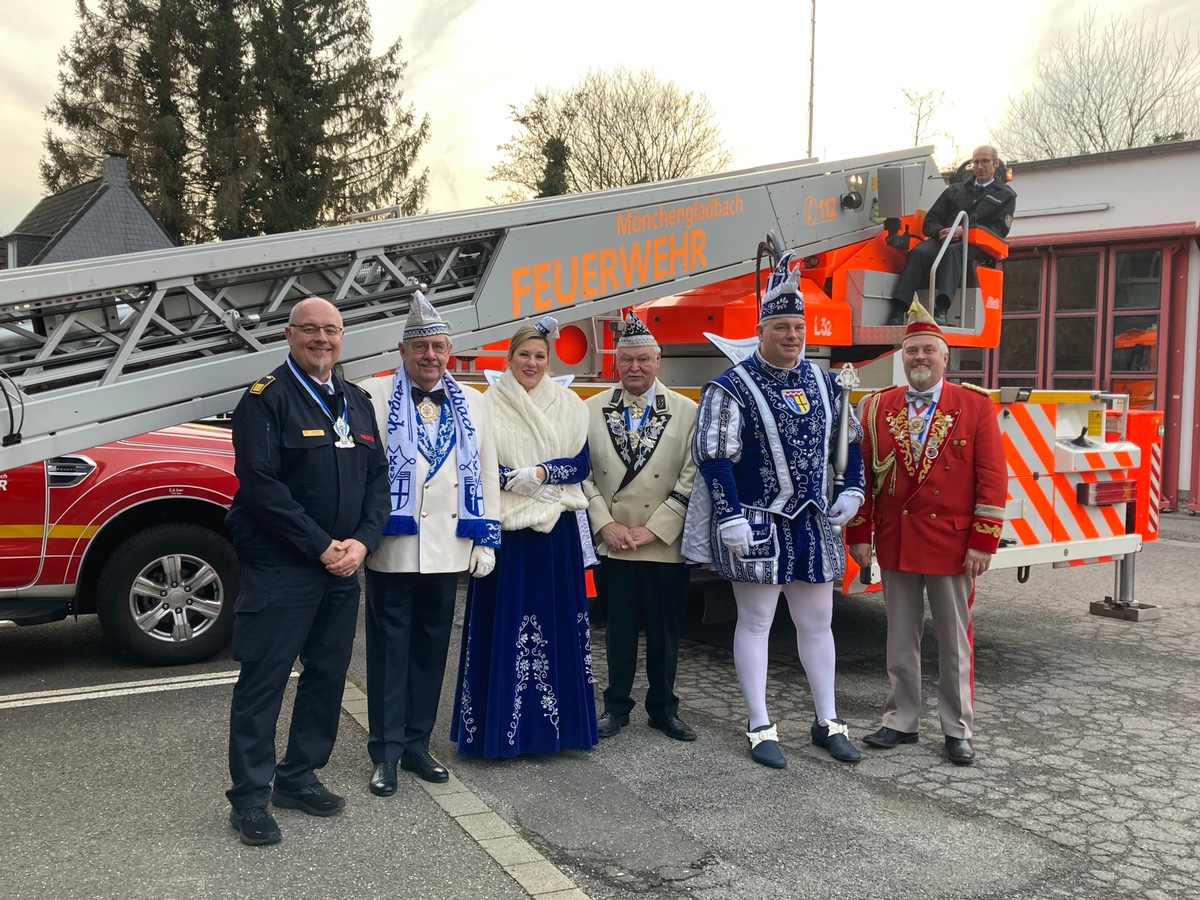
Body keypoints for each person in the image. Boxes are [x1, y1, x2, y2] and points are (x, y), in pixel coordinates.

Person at [683, 249, 866, 769]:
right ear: (761, 330)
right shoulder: (731, 386)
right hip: (757, 521)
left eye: (798, 327)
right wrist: (729, 516)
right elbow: (714, 457)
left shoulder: (827, 384)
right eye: (781, 326)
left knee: (818, 623)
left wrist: (852, 490)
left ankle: (829, 720)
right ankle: (760, 724)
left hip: (815, 522)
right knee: (757, 621)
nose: (792, 335)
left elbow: (849, 447)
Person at [224, 295, 389, 846]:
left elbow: (377, 484)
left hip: (342, 568)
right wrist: (321, 546)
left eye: (332, 330)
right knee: (264, 680)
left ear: (342, 337)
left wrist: (363, 544)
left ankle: (297, 776)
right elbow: (262, 488)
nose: (322, 339)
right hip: (284, 568)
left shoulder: (357, 401)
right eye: (310, 330)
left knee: (327, 676)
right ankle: (249, 797)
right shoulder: (265, 400)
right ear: (289, 335)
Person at [847, 301, 1006, 766]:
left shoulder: (974, 406)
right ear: (903, 356)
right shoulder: (878, 406)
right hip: (897, 539)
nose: (920, 358)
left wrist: (983, 540)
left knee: (955, 641)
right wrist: (861, 533)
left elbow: (993, 479)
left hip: (953, 544)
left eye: (928, 351)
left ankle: (958, 729)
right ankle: (901, 720)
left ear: (945, 358)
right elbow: (867, 477)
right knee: (900, 637)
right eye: (912, 350)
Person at [360, 291, 501, 795]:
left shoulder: (476, 403)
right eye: (421, 347)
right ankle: (386, 752)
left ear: (450, 351)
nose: (431, 356)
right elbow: (362, 473)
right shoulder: (372, 396)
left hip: (447, 546)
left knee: (430, 650)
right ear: (402, 352)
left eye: (439, 347)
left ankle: (417, 745)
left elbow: (485, 473)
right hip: (392, 546)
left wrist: (487, 539)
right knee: (387, 652)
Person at [450, 316, 599, 757]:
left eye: (539, 356)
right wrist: (513, 481)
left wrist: (542, 473)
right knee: (506, 624)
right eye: (523, 355)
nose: (531, 362)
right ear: (508, 358)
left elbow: (582, 464)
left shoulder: (572, 404)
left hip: (557, 531)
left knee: (556, 627)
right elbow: (472, 464)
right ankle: (501, 732)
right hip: (507, 531)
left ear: (549, 361)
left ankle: (561, 731)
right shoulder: (485, 404)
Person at [582, 310, 699, 743]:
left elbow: (692, 475)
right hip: (615, 542)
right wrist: (605, 524)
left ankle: (664, 709)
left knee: (666, 633)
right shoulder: (591, 410)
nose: (635, 367)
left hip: (662, 543)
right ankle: (616, 708)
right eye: (627, 359)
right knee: (618, 630)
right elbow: (582, 474)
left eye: (643, 360)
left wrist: (656, 528)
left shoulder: (687, 411)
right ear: (615, 363)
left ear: (658, 360)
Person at [887, 145, 1017, 326]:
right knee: (919, 253)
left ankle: (941, 310)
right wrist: (940, 231)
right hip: (943, 239)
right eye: (976, 162)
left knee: (954, 252)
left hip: (974, 245)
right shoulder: (955, 190)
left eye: (984, 161)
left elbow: (999, 230)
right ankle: (898, 309)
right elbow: (930, 221)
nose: (979, 166)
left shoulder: (1006, 196)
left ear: (995, 164)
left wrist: (965, 232)